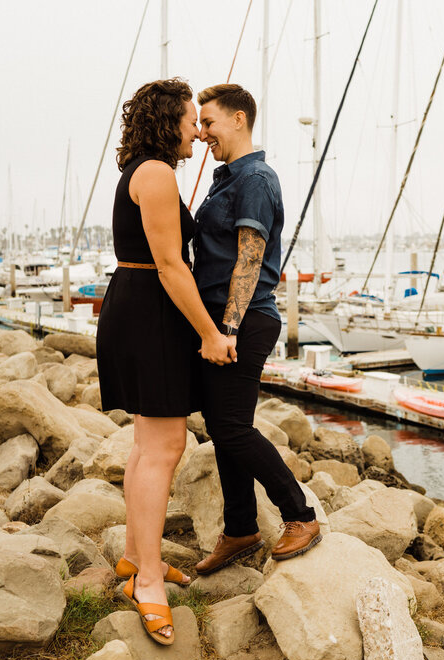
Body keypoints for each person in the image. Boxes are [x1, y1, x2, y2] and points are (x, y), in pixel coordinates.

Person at [96, 78, 228, 645]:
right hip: (149, 312)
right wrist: (211, 334)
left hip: (140, 308)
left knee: (148, 445)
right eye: (190, 120)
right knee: (164, 448)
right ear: (166, 121)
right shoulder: (154, 174)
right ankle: (149, 580)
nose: (198, 131)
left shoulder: (149, 172)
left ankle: (132, 558)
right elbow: (172, 265)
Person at [192, 83, 321, 575]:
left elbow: (250, 256)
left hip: (243, 321)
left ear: (239, 119)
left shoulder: (256, 179)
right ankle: (241, 529)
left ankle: (300, 515)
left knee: (231, 428)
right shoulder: (226, 178)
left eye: (209, 123)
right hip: (222, 322)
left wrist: (227, 327)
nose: (203, 133)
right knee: (225, 431)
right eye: (200, 125)